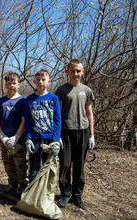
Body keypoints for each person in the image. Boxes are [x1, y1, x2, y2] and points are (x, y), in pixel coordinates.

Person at [55, 59, 95, 210]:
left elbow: (89, 113)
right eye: (72, 71)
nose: (75, 74)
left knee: (79, 165)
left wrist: (91, 135)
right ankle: (65, 194)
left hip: (82, 131)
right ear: (67, 72)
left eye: (78, 71)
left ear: (82, 72)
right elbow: (57, 114)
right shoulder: (61, 90)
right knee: (65, 164)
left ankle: (77, 195)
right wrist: (56, 135)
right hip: (65, 131)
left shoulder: (87, 90)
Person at [0, 71, 28, 195]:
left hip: (18, 139)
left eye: (14, 83)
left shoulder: (23, 101)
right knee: (8, 162)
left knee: (20, 164)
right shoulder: (1, 101)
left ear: (18, 84)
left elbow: (24, 121)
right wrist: (1, 135)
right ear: (5, 85)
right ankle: (12, 185)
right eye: (9, 83)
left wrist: (17, 137)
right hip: (4, 138)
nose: (12, 85)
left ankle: (24, 188)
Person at [24, 69, 61, 182]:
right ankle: (32, 195)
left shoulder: (53, 98)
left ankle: (44, 196)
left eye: (43, 79)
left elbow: (57, 119)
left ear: (48, 81)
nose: (41, 82)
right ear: (34, 82)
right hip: (35, 139)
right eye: (38, 80)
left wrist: (56, 140)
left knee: (47, 169)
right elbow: (27, 120)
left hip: (49, 139)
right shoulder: (29, 99)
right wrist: (28, 138)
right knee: (34, 170)